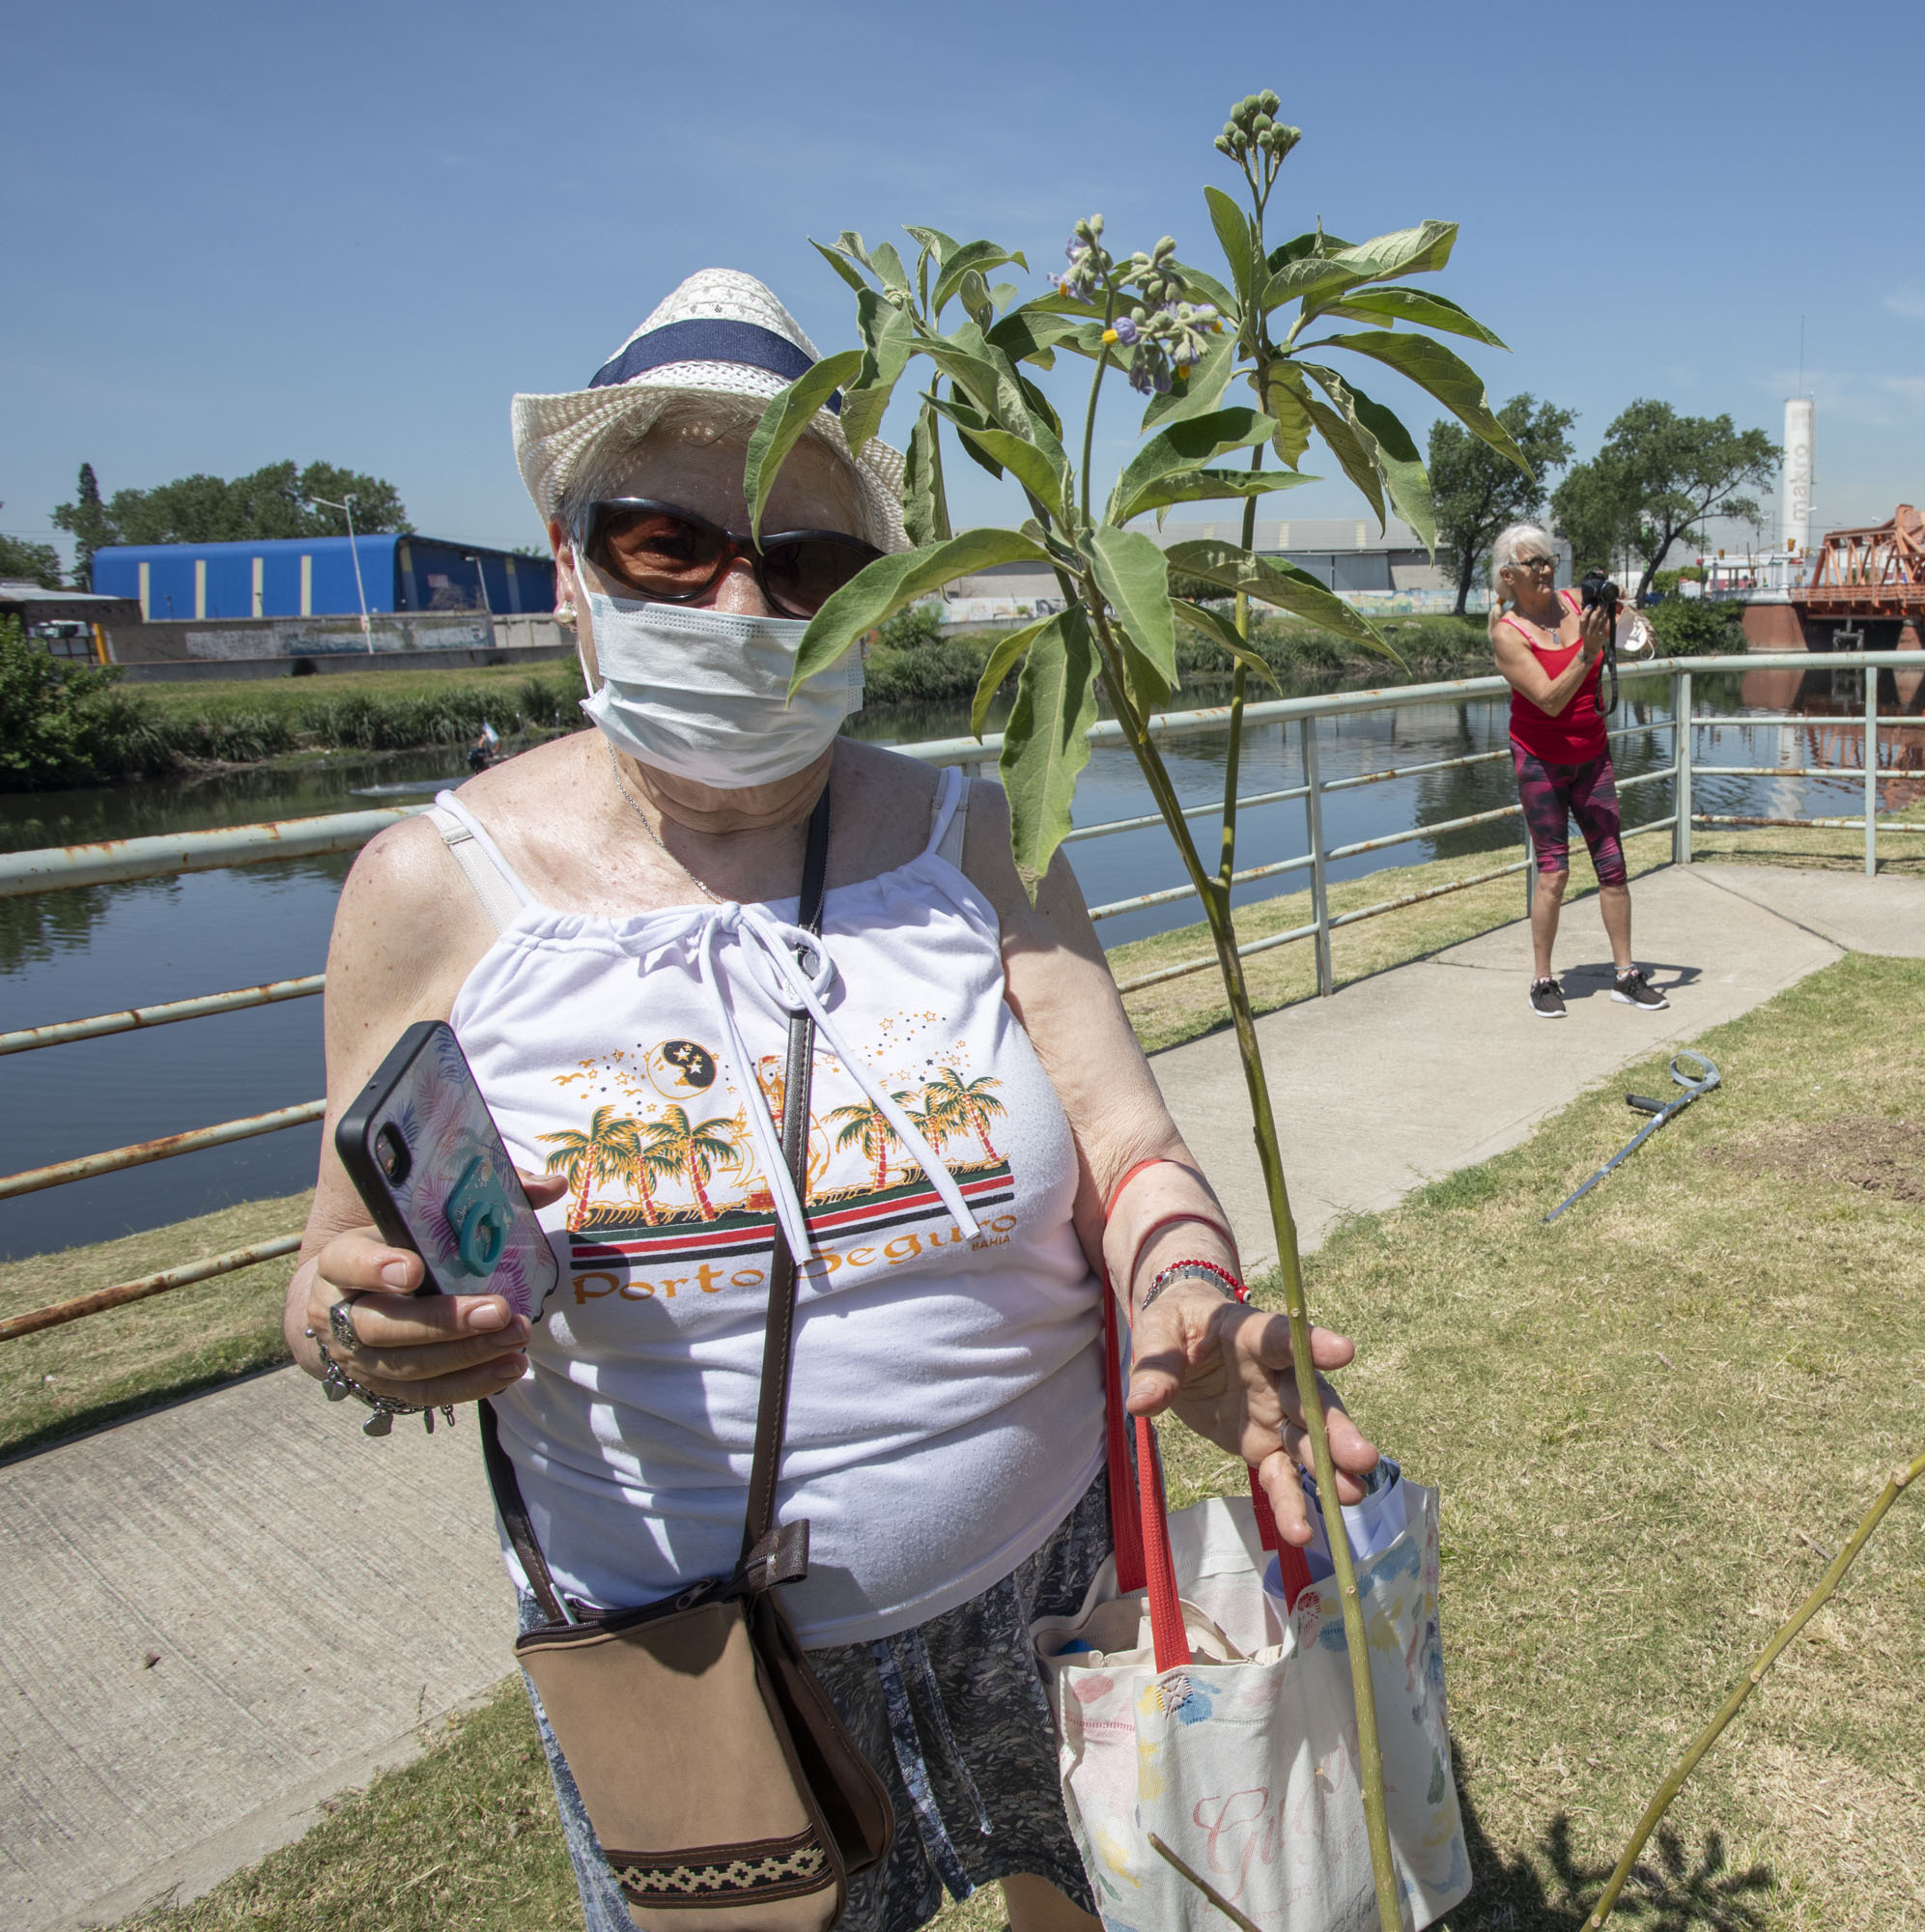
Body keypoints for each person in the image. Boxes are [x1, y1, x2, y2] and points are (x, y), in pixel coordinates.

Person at [280, 270, 1379, 1932]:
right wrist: (369, 1334)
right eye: (670, 546)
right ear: (573, 573)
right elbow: (326, 1277)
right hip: (689, 1648)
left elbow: (1130, 1147)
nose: (740, 609)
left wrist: (1192, 1295)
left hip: (1043, 1582)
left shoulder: (985, 840)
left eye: (805, 565)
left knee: (1095, 1904)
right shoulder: (427, 892)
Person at [1486, 521, 1667, 1018]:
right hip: (1541, 762)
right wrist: (1588, 653)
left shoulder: (1573, 603)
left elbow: (1631, 637)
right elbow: (1546, 699)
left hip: (1592, 756)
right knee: (1554, 874)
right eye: (1533, 563)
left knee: (1613, 866)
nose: (1545, 570)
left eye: (1548, 560)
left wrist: (1618, 608)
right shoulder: (1508, 634)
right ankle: (1543, 980)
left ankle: (1626, 975)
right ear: (1509, 575)